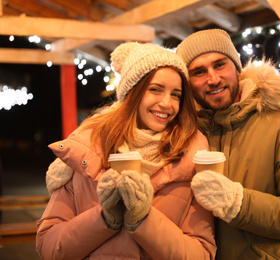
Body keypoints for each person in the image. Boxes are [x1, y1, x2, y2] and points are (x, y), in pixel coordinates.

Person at [36, 42, 216, 259]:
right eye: (155, 89)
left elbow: (201, 254)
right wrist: (104, 218)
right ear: (132, 92)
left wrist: (143, 220)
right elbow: (48, 246)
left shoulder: (194, 158)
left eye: (176, 94)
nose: (167, 103)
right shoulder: (88, 150)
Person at [176, 29, 280, 259]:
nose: (213, 79)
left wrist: (238, 203)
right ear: (188, 83)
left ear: (237, 69)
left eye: (220, 65)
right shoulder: (185, 134)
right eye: (199, 72)